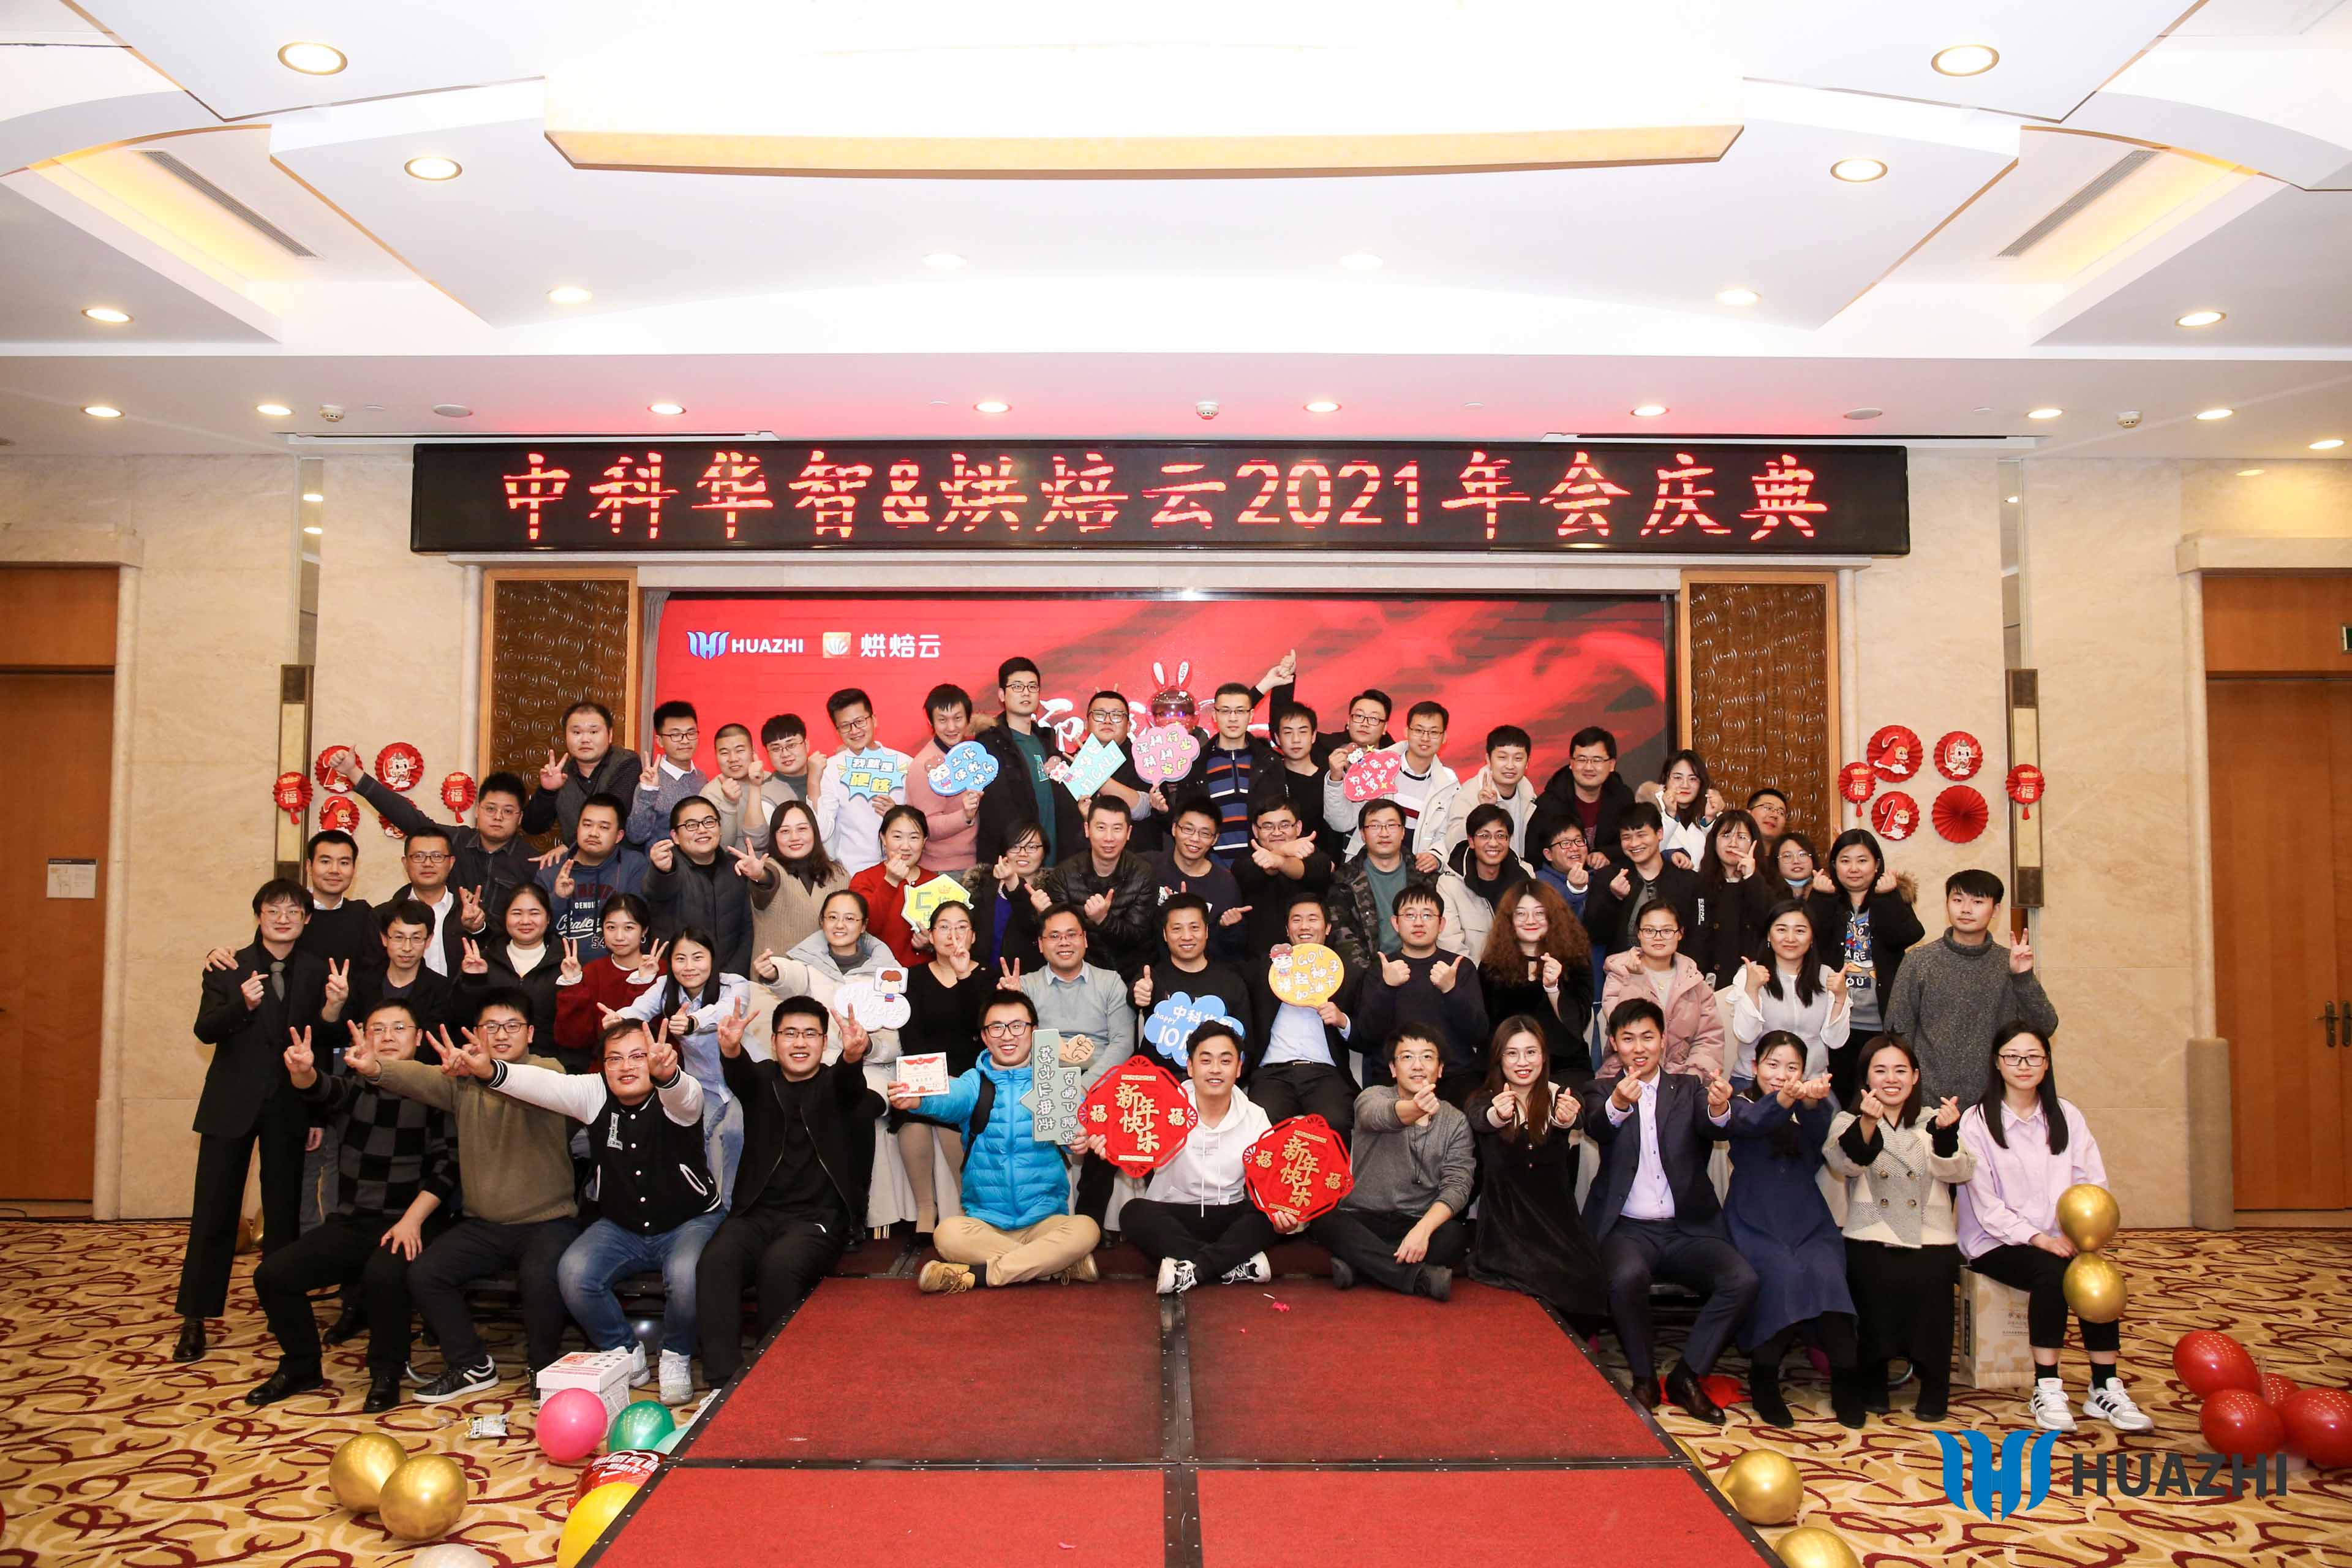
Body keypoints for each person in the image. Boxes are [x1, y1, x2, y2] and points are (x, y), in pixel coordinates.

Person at [451, 1015, 724, 1405]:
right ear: (604, 1066)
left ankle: (675, 1354)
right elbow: (546, 1084)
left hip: (689, 1221)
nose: (626, 1067)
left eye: (638, 1056)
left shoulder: (677, 1093)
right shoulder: (595, 1093)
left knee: (686, 1276)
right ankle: (624, 1352)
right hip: (622, 1225)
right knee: (574, 1273)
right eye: (615, 1058)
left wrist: (668, 1075)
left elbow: (686, 1098)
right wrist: (490, 1070)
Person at [354, 992, 579, 1403]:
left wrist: (487, 1070)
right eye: (491, 1027)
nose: (501, 1034)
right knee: (426, 1273)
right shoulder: (464, 1081)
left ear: (530, 1033)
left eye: (512, 1026)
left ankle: (543, 1367)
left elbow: (533, 1085)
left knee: (539, 1278)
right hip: (484, 1225)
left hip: (548, 1221)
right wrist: (376, 1068)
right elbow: (419, 1076)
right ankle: (472, 1363)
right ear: (477, 1033)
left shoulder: (549, 1071)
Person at [246, 1003, 454, 1411]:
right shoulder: (356, 1086)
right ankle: (302, 1365)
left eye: (399, 1028)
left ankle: (386, 1373)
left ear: (417, 1039)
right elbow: (319, 1088)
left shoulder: (437, 1089)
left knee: (383, 1275)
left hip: (414, 1220)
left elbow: (449, 1168)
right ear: (363, 1037)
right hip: (354, 1221)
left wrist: (411, 1221)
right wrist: (302, 1071)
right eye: (378, 1029)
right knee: (273, 1275)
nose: (388, 1036)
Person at [1956, 1026, 2152, 1433]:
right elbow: (1987, 1206)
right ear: (1997, 1063)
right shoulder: (1976, 1122)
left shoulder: (2067, 1116)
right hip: (1996, 1241)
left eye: (2034, 1057)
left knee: (2095, 1272)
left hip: (2062, 1238)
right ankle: (2047, 1385)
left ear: (2047, 1064)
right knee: (2052, 1272)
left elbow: (2091, 1183)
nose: (2023, 1065)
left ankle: (2105, 1385)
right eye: (2013, 1057)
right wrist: (2040, 1239)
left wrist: (2083, 1237)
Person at [1577, 998, 1755, 1420]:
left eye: (1648, 1037)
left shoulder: (1688, 1088)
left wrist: (1719, 1107)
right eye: (1628, 1039)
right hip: (1627, 1230)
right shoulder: (1601, 1090)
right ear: (1614, 1044)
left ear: (1663, 1040)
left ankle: (1687, 1376)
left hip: (1687, 1228)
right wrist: (1620, 1103)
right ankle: (1643, 1377)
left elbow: (1713, 1127)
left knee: (1742, 1280)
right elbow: (1597, 1126)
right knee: (1626, 1278)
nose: (1639, 1048)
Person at [697, 995, 886, 1387]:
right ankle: (721, 1383)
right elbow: (741, 1075)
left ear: (825, 1042)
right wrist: (730, 1050)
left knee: (779, 1268)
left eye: (810, 1035)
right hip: (756, 1214)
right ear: (774, 1041)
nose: (800, 1043)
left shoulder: (835, 1085)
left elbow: (850, 1084)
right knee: (716, 1262)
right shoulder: (762, 1080)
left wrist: (853, 1056)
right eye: (790, 1034)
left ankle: (771, 1381)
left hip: (817, 1220)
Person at [174, 880, 326, 1364]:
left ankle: (280, 1307)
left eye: (293, 911)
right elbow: (205, 1029)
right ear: (258, 915)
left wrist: (317, 1109)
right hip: (230, 1104)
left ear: (306, 918)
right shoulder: (228, 965)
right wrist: (244, 1004)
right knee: (213, 1213)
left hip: (289, 1105)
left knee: (283, 1215)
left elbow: (320, 1043)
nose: (283, 918)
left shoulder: (317, 970)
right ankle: (196, 1317)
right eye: (272, 910)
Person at [897, 992, 1101, 1291]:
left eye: (1017, 1026)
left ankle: (975, 1275)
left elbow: (1073, 1135)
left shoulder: (1054, 1081)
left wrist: (1080, 1140)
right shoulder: (974, 1082)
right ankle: (1055, 1265)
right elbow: (950, 1099)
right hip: (985, 1224)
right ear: (984, 1036)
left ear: (1034, 1031)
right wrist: (920, 1101)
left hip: (1046, 1223)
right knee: (947, 1234)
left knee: (1086, 1229)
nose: (1007, 1036)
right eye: (997, 1028)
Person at [1822, 1035, 1974, 1427]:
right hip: (1870, 1230)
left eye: (1900, 1070)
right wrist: (1868, 1123)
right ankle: (1872, 1379)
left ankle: (1935, 1385)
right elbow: (1846, 1165)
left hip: (1930, 1234)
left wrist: (1946, 1136)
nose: (1891, 1079)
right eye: (1881, 1070)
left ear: (1916, 1076)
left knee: (1932, 1289)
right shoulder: (1847, 1121)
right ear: (1866, 1078)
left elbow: (1960, 1172)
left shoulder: (1935, 1120)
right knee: (1872, 1295)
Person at [1722, 1033, 1852, 1427]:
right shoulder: (1738, 1103)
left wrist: (1811, 1102)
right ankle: (1764, 1378)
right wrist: (1785, 1100)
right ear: (1756, 1066)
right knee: (1781, 1274)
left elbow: (1824, 1139)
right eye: (1773, 1065)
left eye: (1792, 1067)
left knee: (1828, 1272)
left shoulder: (1809, 1104)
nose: (1781, 1074)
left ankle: (1847, 1380)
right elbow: (1750, 1124)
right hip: (1754, 1218)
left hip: (1807, 1215)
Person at [1114, 1022, 1280, 1294]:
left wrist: (1283, 1210)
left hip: (1228, 1214)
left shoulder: (1256, 1116)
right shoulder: (1162, 1107)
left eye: (1225, 1061)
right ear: (1190, 1067)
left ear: (1238, 1068)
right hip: (1174, 1212)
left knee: (1268, 1216)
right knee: (1133, 1212)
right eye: (1206, 1060)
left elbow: (1269, 1180)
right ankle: (1231, 1264)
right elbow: (1132, 1148)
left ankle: (1195, 1268)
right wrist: (1110, 1145)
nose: (1215, 1069)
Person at [1462, 1017, 1607, 1325]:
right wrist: (1499, 1115)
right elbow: (1481, 1119)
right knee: (1533, 1278)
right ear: (1499, 1058)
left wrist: (1567, 1120)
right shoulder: (1482, 1100)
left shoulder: (1561, 1096)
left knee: (1586, 1279)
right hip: (1506, 1223)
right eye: (1512, 1054)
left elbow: (1577, 1117)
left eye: (1531, 1052)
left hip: (1556, 1221)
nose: (1523, 1062)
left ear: (1543, 1056)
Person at [1308, 1028, 1472, 1300]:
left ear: (1441, 1069)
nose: (1418, 1065)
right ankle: (1417, 1278)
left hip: (1416, 1221)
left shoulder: (1455, 1121)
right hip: (1362, 1217)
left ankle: (1361, 1267)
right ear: (1393, 1069)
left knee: (1454, 1235)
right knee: (1326, 1220)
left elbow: (1458, 1185)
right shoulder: (1372, 1097)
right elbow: (1379, 1116)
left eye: (1427, 1057)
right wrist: (1415, 1109)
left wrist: (1422, 1231)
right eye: (1407, 1057)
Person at [1885, 870, 2059, 1104]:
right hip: (1929, 1103)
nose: (1966, 909)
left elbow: (2046, 1027)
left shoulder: (2009, 963)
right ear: (1947, 904)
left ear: (1995, 910)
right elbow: (1897, 1033)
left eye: (1977, 902)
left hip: (1995, 1102)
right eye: (1958, 900)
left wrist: (2023, 978)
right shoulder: (1919, 961)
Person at [1016, 904, 1138, 1228]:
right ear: (1041, 945)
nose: (1064, 942)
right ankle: (1044, 1220)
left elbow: (1123, 1043)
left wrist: (1085, 1086)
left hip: (1101, 1079)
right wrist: (1012, 1004)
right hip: (1046, 1076)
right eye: (1054, 936)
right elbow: (1020, 1045)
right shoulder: (1025, 986)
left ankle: (1088, 1223)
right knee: (1040, 1109)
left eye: (1072, 934)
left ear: (1085, 940)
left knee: (1107, 1122)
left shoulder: (1110, 982)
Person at [620, 927, 755, 1206]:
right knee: (688, 1135)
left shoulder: (734, 984)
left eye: (698, 957)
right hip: (702, 1083)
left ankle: (733, 1207)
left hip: (745, 1079)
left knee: (735, 1132)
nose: (689, 966)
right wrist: (619, 1019)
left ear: (713, 958)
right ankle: (703, 1202)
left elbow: (726, 1012)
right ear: (670, 963)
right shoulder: (664, 987)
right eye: (680, 959)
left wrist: (693, 1022)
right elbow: (638, 1010)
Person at [1809, 828, 1925, 1106]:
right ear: (1834, 865)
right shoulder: (1826, 899)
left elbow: (1908, 935)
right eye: (1845, 860)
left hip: (1881, 1022)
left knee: (1880, 1096)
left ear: (1877, 865)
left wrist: (1888, 897)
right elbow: (1809, 939)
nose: (1854, 869)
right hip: (1836, 1022)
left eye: (1862, 860)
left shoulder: (1889, 898)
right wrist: (1821, 898)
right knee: (1840, 1098)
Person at [339, 750, 538, 910]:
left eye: (508, 811)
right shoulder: (454, 841)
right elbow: (408, 817)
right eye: (491, 809)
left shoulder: (532, 862)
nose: (498, 817)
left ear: (520, 817)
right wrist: (353, 772)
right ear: (478, 810)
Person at [897, 899, 989, 1232]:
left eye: (962, 927)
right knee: (911, 1119)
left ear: (973, 936)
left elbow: (983, 1028)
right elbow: (910, 1033)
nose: (953, 935)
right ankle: (925, 1209)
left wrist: (964, 976)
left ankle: (970, 1206)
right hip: (925, 1066)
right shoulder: (913, 977)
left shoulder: (986, 975)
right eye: (945, 928)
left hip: (972, 1070)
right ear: (931, 936)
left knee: (956, 1110)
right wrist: (932, 1076)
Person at [1245, 889, 1365, 1133]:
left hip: (1325, 1073)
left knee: (1336, 1122)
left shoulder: (1345, 973)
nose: (1304, 926)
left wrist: (1343, 1021)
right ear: (1287, 930)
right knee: (1260, 1124)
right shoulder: (1266, 970)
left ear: (1327, 928)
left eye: (1313, 919)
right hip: (1273, 1073)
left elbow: (1368, 1035)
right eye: (1297, 920)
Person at [1355, 883, 1488, 1099]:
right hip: (1394, 1081)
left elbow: (1479, 1034)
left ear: (1441, 924)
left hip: (1455, 1077)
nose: (1419, 922)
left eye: (1427, 915)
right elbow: (1366, 1036)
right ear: (1396, 923)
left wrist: (1451, 990)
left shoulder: (1459, 968)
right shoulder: (1382, 969)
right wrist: (1387, 988)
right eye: (1410, 915)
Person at [1474, 880, 1593, 1078]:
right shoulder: (1491, 967)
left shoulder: (1576, 961)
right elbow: (1486, 1030)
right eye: (1521, 914)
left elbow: (1577, 1025)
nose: (1530, 921)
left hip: (1564, 1065)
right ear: (1509, 919)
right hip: (1506, 1065)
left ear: (1553, 916)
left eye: (1539, 913)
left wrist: (1553, 988)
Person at [1729, 901, 1850, 1085]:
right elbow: (1745, 1035)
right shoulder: (1749, 974)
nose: (1790, 938)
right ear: (1769, 935)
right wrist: (1751, 990)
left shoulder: (1828, 977)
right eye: (1781, 930)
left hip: (1810, 1083)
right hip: (1756, 1081)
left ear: (1812, 938)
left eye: (1800, 931)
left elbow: (1836, 1041)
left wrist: (1841, 998)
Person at [974, 657, 1080, 866]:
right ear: (1002, 695)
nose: (1026, 693)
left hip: (1054, 863)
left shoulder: (1047, 741)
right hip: (1013, 864)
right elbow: (995, 811)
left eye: (1032, 687)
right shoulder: (988, 745)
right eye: (1017, 686)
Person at [1324, 701, 1457, 865]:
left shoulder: (1449, 784)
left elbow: (1449, 833)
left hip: (1416, 872)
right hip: (1367, 868)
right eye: (1418, 730)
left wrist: (1436, 855)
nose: (1425, 738)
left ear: (1444, 737)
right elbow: (1342, 822)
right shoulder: (1375, 765)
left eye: (1434, 732)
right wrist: (1336, 779)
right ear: (1407, 731)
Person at [1597, 903, 1722, 1080]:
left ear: (1680, 933)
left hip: (1683, 1078)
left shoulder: (1694, 981)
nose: (1658, 937)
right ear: (1638, 933)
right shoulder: (1620, 974)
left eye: (1667, 931)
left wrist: (1691, 1080)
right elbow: (1623, 1025)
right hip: (1628, 1076)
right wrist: (1635, 979)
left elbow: (1709, 1039)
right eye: (1649, 930)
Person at [1163, 682, 1281, 864]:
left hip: (1261, 867)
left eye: (1240, 711)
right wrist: (1163, 811)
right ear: (1214, 715)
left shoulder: (1269, 762)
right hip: (1211, 869)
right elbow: (1183, 821)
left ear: (1251, 715)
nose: (1233, 718)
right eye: (1225, 711)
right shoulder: (1195, 765)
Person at [1132, 894, 1252, 1073]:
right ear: (1165, 934)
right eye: (1177, 929)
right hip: (1158, 1082)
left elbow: (1246, 1047)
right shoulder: (1151, 977)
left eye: (1194, 928)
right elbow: (1134, 996)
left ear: (1207, 931)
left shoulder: (1232, 982)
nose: (1187, 937)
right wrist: (1137, 995)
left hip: (1213, 1082)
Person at [1041, 795, 1156, 979]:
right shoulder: (1064, 874)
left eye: (1117, 829)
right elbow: (1063, 936)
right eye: (1101, 828)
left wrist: (1103, 919)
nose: (1109, 838)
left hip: (1130, 974)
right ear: (1087, 829)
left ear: (1128, 833)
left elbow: (1138, 937)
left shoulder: (1143, 874)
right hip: (1079, 975)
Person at [645, 795, 761, 976]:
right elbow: (657, 889)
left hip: (730, 980)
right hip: (681, 978)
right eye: (691, 825)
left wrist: (732, 977)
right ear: (675, 837)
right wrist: (662, 871)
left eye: (709, 822)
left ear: (720, 829)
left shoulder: (736, 868)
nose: (702, 830)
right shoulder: (668, 868)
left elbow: (747, 930)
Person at [453, 880, 562, 1063]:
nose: (525, 921)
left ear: (548, 918)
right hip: (490, 1064)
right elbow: (461, 1018)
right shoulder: (482, 960)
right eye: (517, 913)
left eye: (534, 913)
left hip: (548, 1066)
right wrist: (473, 981)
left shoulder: (567, 964)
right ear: (505, 917)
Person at [1580, 803, 1700, 963]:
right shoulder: (1607, 877)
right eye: (1626, 837)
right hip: (1622, 972)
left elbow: (1699, 935)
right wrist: (1613, 898)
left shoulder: (1687, 879)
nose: (1634, 843)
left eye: (1641, 835)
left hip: (1677, 972)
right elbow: (1594, 935)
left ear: (1659, 833)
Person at [554, 893, 661, 1069]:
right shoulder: (592, 971)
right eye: (611, 927)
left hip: (654, 1068)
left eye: (629, 928)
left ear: (644, 931)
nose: (619, 936)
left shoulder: (663, 971)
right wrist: (573, 985)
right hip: (604, 1069)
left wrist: (645, 981)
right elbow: (573, 1039)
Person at [537, 794, 650, 961]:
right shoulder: (551, 870)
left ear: (619, 836)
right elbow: (534, 930)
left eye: (604, 827)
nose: (594, 833)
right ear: (577, 829)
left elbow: (641, 924)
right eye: (587, 825)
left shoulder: (633, 865)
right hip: (559, 967)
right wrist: (558, 898)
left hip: (616, 967)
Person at [813, 686, 910, 875]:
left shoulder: (904, 764)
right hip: (852, 874)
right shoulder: (831, 769)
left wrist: (897, 814)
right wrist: (813, 782)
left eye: (859, 722)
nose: (854, 731)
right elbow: (822, 831)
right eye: (845, 726)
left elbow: (921, 823)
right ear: (837, 730)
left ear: (874, 720)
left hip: (901, 869)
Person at [521, 699, 643, 846]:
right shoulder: (560, 774)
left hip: (620, 858)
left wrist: (569, 847)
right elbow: (532, 827)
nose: (585, 739)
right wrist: (547, 792)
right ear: (565, 736)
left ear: (610, 735)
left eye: (593, 732)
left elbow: (611, 814)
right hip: (577, 859)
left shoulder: (626, 762)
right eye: (577, 732)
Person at [750, 797, 851, 961]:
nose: (794, 837)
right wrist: (757, 876)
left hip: (825, 972)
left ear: (814, 832)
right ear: (774, 837)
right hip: (774, 973)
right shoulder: (770, 868)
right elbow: (767, 879)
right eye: (785, 831)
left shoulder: (838, 874)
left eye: (802, 829)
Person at [1150, 797, 1250, 962]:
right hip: (1154, 968)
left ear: (1215, 839)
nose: (1195, 839)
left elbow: (1232, 949)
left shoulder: (1225, 885)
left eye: (1205, 833)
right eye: (1188, 829)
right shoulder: (1150, 866)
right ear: (1174, 829)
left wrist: (1228, 927)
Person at [343, 899, 458, 1038]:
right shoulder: (362, 983)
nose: (407, 948)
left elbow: (436, 1040)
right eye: (399, 937)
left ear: (428, 940)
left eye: (416, 938)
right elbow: (341, 1033)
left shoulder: (443, 990)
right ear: (384, 938)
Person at [1233, 797, 1332, 958]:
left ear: (1298, 827)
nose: (1277, 833)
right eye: (1268, 826)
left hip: (1313, 958)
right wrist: (1283, 851)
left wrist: (1278, 860)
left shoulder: (1316, 856)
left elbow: (1307, 871)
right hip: (1262, 959)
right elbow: (1258, 871)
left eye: (1285, 825)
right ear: (1255, 830)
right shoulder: (1243, 862)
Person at [1436, 803, 1534, 960]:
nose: (1493, 843)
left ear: (1509, 840)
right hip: (1470, 972)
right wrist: (1474, 975)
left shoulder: (1526, 876)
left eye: (1500, 836)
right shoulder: (1450, 884)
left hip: (1519, 970)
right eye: (1484, 836)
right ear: (1471, 841)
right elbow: (1450, 945)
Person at [903, 683, 984, 873]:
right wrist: (965, 816)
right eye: (942, 720)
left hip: (976, 862)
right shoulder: (925, 766)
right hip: (944, 870)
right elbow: (926, 825)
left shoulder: (972, 753)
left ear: (968, 719)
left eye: (958, 718)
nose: (951, 727)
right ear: (931, 722)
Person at [849, 804, 943, 968]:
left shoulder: (936, 883)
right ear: (884, 838)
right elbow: (865, 928)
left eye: (914, 838)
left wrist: (931, 943)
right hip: (876, 972)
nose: (905, 846)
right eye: (897, 837)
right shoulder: (864, 880)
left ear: (924, 841)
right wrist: (890, 882)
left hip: (926, 974)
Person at [385, 826, 485, 979]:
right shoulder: (385, 914)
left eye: (437, 856)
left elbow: (492, 952)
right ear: (405, 863)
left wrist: (477, 929)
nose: (428, 863)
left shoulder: (472, 909)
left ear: (451, 863)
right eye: (419, 856)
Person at [1688, 809, 1771, 989]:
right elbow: (1695, 938)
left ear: (1754, 843)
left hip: (1753, 982)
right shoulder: (1699, 885)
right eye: (1726, 835)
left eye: (1741, 837)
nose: (1733, 843)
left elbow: (1769, 922)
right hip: (1707, 984)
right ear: (1714, 841)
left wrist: (1751, 878)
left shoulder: (1768, 882)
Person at [1535, 726, 1637, 871]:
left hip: (1612, 878)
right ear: (1571, 763)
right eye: (1582, 759)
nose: (1589, 767)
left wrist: (1607, 854)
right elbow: (1536, 856)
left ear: (1612, 764)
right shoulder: (1548, 805)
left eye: (1597, 760)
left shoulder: (1623, 797)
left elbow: (1635, 842)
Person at [1329, 797, 1417, 959]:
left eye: (1392, 825)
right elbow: (1344, 939)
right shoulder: (1344, 879)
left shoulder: (1423, 873)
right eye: (1375, 826)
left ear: (1403, 832)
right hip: (1370, 968)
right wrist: (1375, 971)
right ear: (1363, 834)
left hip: (1420, 965)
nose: (1384, 833)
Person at [1438, 725, 1538, 861]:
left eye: (1518, 759)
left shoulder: (1529, 795)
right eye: (1502, 757)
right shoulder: (1470, 792)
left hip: (1517, 869)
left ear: (1527, 763)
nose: (1510, 765)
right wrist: (1482, 810)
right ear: (1489, 760)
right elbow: (1452, 843)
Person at [962, 816, 1047, 971]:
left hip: (1028, 977)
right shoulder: (980, 885)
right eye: (1015, 847)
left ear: (1044, 852)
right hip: (979, 974)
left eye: (1032, 847)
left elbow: (1034, 929)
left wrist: (1013, 882)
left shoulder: (1052, 888)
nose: (1023, 853)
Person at [628, 699, 710, 846]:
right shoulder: (650, 784)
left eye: (691, 733)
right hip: (664, 860)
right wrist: (648, 792)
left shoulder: (702, 778)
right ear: (660, 741)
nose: (685, 741)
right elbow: (636, 836)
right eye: (676, 735)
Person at [289, 828, 375, 968]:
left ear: (354, 869)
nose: (334, 870)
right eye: (325, 862)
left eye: (344, 863)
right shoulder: (288, 914)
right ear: (309, 867)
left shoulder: (364, 914)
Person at [702, 722, 775, 855]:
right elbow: (721, 848)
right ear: (716, 755)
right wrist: (729, 803)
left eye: (740, 751)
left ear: (753, 750)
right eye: (724, 753)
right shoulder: (710, 794)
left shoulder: (771, 781)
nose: (733, 759)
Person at [1649, 749, 1721, 870]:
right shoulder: (1650, 811)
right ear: (1666, 779)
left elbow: (1722, 854)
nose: (1685, 785)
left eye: (1693, 779)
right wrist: (1670, 815)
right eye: (1678, 778)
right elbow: (1649, 850)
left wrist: (1710, 820)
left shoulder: (1713, 812)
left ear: (1701, 783)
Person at [1269, 703, 1329, 832]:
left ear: (1313, 736)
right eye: (1288, 733)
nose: (1296, 740)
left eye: (1303, 732)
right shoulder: (1271, 780)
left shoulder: (1330, 779)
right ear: (1277, 739)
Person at [758, 712, 828, 812]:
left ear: (806, 745)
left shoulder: (829, 774)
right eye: (776, 749)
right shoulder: (766, 794)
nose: (785, 754)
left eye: (791, 745)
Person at [1774, 832, 1820, 900]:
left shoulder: (1829, 888)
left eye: (1802, 855)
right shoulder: (1767, 892)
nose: (1796, 861)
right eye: (1787, 856)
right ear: (1776, 861)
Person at [1746, 788, 1790, 858]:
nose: (1775, 815)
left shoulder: (1787, 861)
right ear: (1748, 814)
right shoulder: (1733, 854)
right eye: (1768, 808)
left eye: (1781, 813)